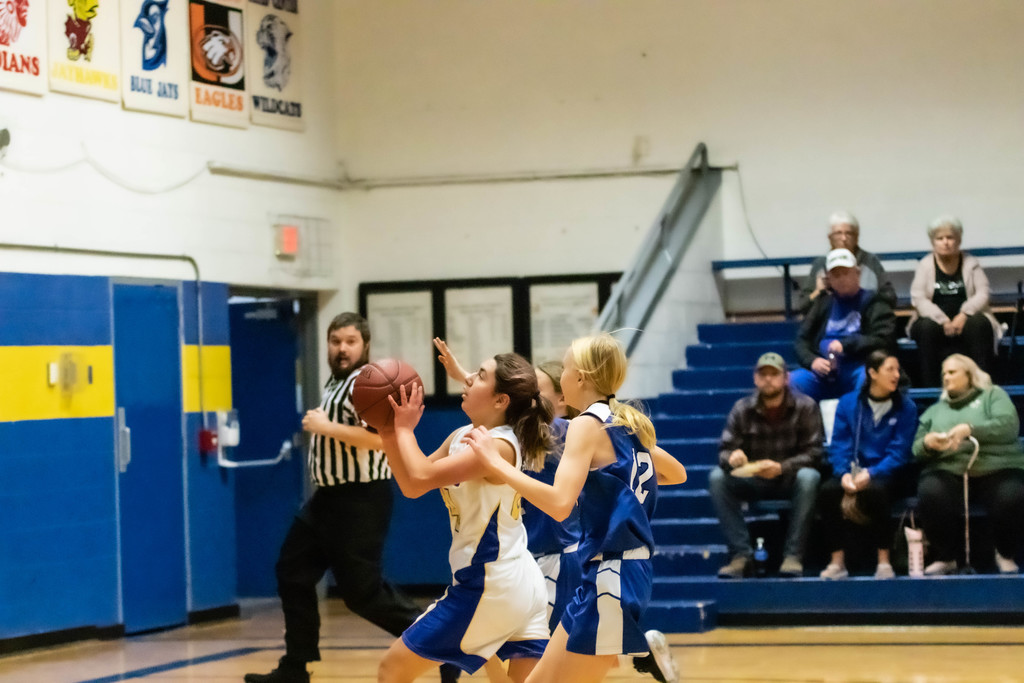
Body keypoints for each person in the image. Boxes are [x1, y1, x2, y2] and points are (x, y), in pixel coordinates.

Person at [245, 313, 460, 683]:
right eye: (335, 341)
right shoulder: (336, 381)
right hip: (326, 499)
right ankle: (296, 666)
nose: (341, 348)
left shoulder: (367, 383)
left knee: (362, 593)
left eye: (349, 341)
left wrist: (327, 428)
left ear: (365, 345)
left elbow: (381, 439)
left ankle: (441, 647)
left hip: (360, 499)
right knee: (292, 572)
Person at [464, 332, 687, 683]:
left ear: (580, 377)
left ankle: (644, 650)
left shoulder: (586, 424)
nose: (561, 375)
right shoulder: (626, 422)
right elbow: (677, 474)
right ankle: (644, 651)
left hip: (613, 573)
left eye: (565, 368)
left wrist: (498, 467)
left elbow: (558, 503)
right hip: (609, 571)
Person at [376, 350, 553, 682]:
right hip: (517, 580)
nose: (469, 379)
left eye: (481, 376)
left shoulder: (498, 446)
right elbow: (414, 484)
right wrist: (388, 433)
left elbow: (420, 475)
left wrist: (403, 429)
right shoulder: (461, 435)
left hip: (490, 585)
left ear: (501, 400)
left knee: (392, 670)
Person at [710, 352, 824, 579]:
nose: (769, 379)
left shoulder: (806, 406)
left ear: (786, 378)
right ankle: (741, 555)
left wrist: (782, 467)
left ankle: (793, 556)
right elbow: (725, 450)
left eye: (774, 374)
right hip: (755, 479)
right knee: (717, 478)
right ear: (755, 379)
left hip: (789, 478)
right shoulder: (742, 409)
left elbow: (815, 453)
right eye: (763, 375)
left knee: (810, 477)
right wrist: (732, 457)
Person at [912, 353, 1024, 575]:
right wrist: (928, 443)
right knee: (931, 491)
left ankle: (1005, 553)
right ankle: (946, 557)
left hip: (997, 465)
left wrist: (971, 429)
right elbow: (916, 447)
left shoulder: (993, 395)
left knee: (1011, 496)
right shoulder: (936, 409)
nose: (946, 377)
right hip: (949, 468)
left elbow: (1008, 426)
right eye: (943, 373)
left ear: (969, 375)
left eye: (952, 372)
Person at [817, 351, 917, 580]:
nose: (896, 375)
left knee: (877, 491)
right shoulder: (848, 403)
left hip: (888, 472)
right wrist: (843, 474)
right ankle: (837, 562)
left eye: (897, 370)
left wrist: (872, 473)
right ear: (872, 373)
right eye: (890, 369)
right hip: (853, 470)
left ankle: (884, 561)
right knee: (827, 491)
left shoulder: (907, 407)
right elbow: (839, 444)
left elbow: (899, 452)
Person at [790, 247, 897, 402]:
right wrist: (812, 361)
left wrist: (846, 345)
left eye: (846, 273)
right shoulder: (822, 303)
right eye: (836, 275)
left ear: (857, 274)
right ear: (829, 279)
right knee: (792, 381)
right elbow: (801, 341)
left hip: (858, 367)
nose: (841, 279)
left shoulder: (875, 302)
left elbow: (883, 338)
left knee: (868, 378)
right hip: (823, 371)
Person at [908, 215, 1003, 387]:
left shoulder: (971, 263)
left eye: (950, 237)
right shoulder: (925, 265)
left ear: (958, 240)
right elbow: (918, 298)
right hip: (935, 319)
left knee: (979, 324)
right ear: (933, 242)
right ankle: (929, 390)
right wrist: (942, 319)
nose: (945, 242)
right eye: (940, 238)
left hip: (967, 318)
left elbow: (983, 293)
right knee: (926, 328)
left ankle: (982, 387)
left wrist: (965, 314)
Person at [798, 211, 894, 314]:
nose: (843, 238)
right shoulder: (821, 264)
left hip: (865, 322)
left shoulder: (870, 261)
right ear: (830, 238)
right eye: (838, 233)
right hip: (828, 324)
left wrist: (862, 294)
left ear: (857, 237)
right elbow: (803, 307)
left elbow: (891, 298)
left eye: (849, 233)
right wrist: (818, 291)